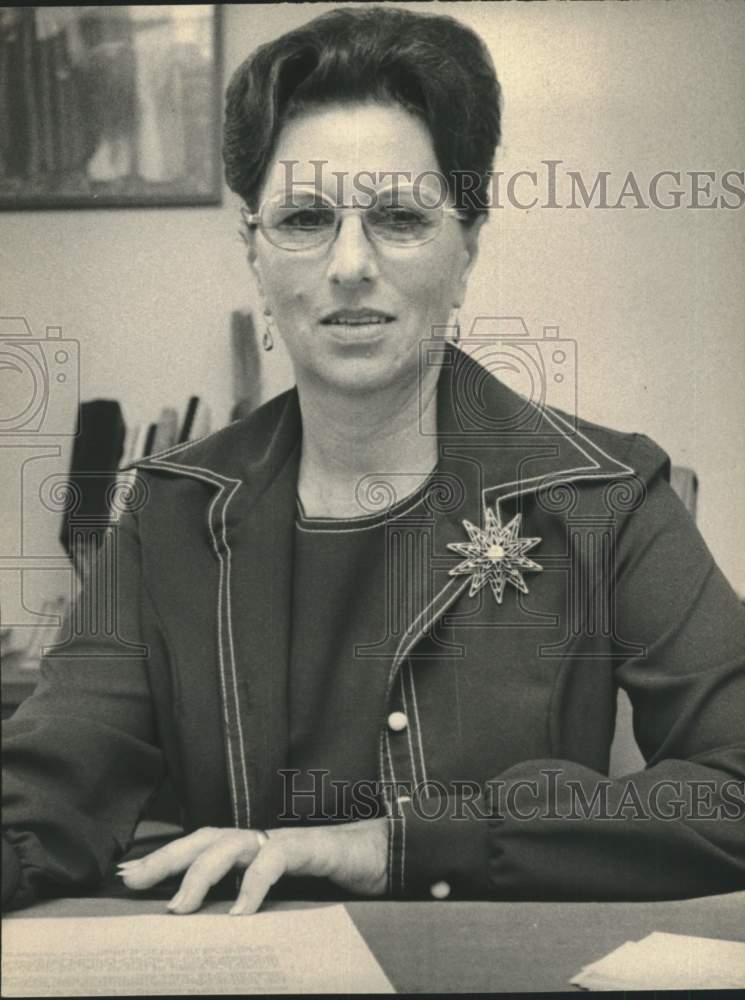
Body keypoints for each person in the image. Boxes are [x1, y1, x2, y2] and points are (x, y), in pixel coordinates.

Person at [3, 6, 744, 915]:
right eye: (306, 217)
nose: (349, 264)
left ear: (466, 244)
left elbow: (734, 786)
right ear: (254, 251)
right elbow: (43, 802)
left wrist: (392, 846)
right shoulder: (168, 515)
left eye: (398, 216)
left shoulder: (608, 495)